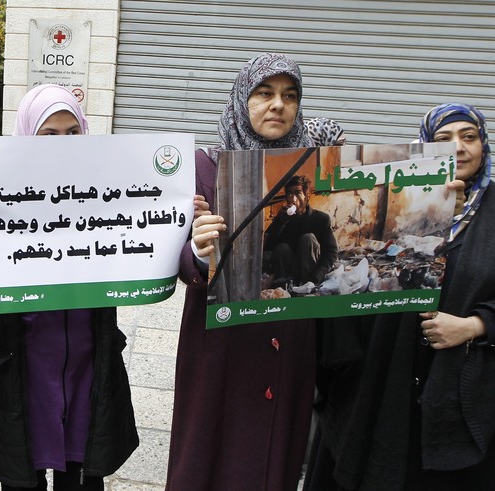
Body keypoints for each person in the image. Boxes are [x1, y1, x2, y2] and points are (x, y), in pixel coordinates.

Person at [0, 84, 139, 490]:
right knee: (21, 474)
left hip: (88, 361)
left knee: (81, 476)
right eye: (48, 134)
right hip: (21, 365)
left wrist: (179, 221)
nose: (62, 144)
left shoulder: (108, 193)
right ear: (27, 135)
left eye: (72, 133)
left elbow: (149, 245)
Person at [305, 103, 495, 490]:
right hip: (381, 374)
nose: (458, 148)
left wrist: (475, 325)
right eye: (444, 139)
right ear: (424, 146)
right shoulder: (404, 197)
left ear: (484, 145)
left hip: (458, 389)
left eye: (469, 137)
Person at [166, 53, 317, 491]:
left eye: (290, 96)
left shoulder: (311, 167)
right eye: (264, 94)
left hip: (290, 337)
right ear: (241, 100)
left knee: (275, 454)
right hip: (223, 343)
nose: (278, 106)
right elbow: (176, 258)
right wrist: (198, 249)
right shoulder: (206, 167)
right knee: (211, 449)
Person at [263, 174, 338, 287]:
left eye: (298, 193)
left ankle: (307, 285)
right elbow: (268, 247)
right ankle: (285, 284)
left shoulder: (320, 219)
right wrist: (280, 222)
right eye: (289, 194)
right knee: (282, 247)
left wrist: (317, 276)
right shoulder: (283, 219)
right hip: (291, 271)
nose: (293, 199)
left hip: (311, 272)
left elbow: (331, 253)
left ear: (306, 197)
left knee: (308, 239)